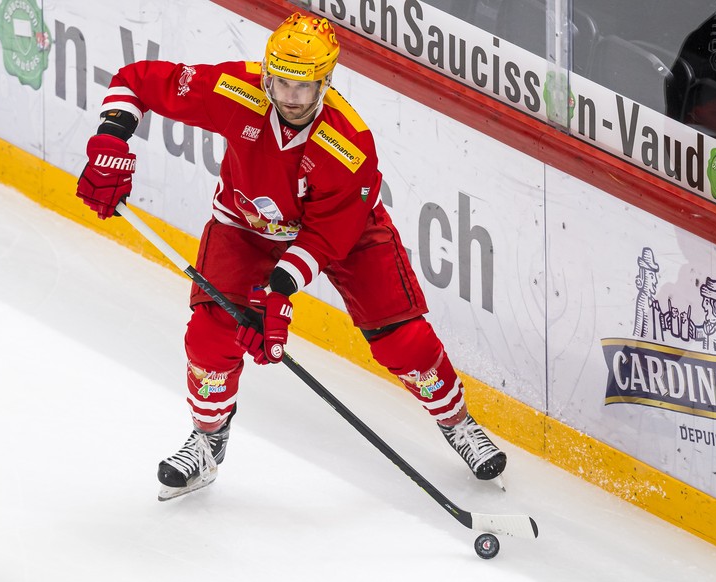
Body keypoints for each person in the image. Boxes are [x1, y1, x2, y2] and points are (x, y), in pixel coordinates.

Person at [75, 12, 507, 501]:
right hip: (246, 225)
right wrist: (112, 139)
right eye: (281, 82)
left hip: (346, 232)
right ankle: (208, 440)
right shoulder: (236, 89)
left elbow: (323, 239)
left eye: (304, 87)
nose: (290, 98)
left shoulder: (349, 145)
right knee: (211, 330)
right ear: (267, 73)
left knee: (401, 339)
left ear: (326, 81)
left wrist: (276, 292)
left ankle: (456, 422)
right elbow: (136, 83)